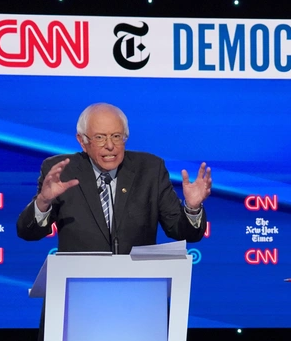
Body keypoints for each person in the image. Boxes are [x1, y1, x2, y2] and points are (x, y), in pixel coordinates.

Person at [16, 103, 212, 252]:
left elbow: (184, 233)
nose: (110, 146)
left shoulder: (150, 169)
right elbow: (28, 233)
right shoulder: (62, 171)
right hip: (77, 293)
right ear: (82, 141)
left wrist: (192, 208)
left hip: (137, 292)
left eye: (117, 136)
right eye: (100, 137)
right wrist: (43, 202)